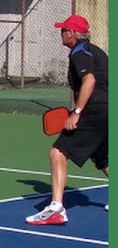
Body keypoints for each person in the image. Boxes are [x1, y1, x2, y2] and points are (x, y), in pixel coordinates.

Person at [26, 14, 109, 224]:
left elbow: (89, 80)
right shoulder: (96, 52)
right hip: (106, 111)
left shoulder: (79, 52)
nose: (61, 33)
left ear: (72, 33)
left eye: (63, 30)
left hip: (94, 110)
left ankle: (56, 208)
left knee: (58, 151)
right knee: (102, 157)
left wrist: (77, 112)